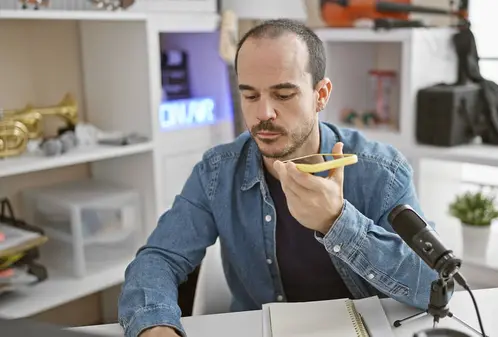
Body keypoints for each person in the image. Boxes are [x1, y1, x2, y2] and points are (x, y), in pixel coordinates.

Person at [117, 19, 438, 337]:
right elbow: (159, 258)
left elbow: (434, 287)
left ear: (321, 95)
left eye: (283, 95)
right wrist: (155, 326)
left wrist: (338, 222)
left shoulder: (381, 170)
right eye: (250, 96)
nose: (264, 113)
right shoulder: (217, 172)